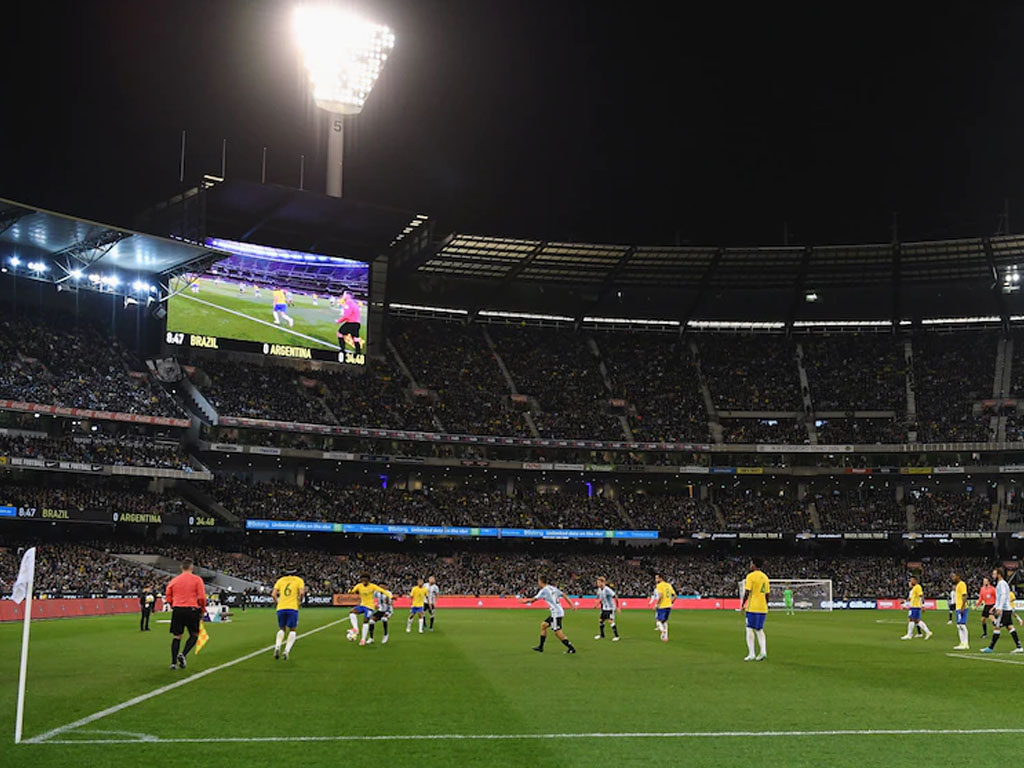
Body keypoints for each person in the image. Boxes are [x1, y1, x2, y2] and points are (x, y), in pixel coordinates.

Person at [518, 575, 577, 654]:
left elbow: (534, 600)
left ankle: (571, 648)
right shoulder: (552, 588)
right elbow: (564, 595)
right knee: (544, 625)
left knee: (557, 632)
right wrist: (571, 605)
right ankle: (541, 647)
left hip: (556, 613)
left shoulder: (544, 590)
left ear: (540, 581)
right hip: (557, 612)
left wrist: (524, 601)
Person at [165, 560, 207, 670]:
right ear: (191, 567)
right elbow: (202, 597)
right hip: (192, 609)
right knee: (194, 634)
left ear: (181, 567)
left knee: (177, 636)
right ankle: (183, 654)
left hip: (178, 609)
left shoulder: (174, 580)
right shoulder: (197, 580)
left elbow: (168, 595)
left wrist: (173, 605)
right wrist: (202, 609)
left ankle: (173, 663)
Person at [982, 568, 1023, 654]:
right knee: (1010, 627)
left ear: (999, 575)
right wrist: (995, 607)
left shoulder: (1001, 584)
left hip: (1004, 610)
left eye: (994, 574)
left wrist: (999, 607)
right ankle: (1019, 646)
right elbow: (1000, 597)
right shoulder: (1001, 584)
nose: (993, 576)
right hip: (1006, 609)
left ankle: (990, 648)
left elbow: (1003, 596)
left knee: (997, 627)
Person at [272, 569, 306, 661]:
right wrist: (300, 600)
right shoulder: (299, 580)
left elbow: (273, 594)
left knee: (282, 628)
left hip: (281, 607)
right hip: (292, 607)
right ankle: (286, 651)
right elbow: (302, 592)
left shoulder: (280, 580)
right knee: (292, 630)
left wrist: (277, 603)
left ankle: (277, 646)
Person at [349, 574, 392, 647]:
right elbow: (352, 591)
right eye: (363, 580)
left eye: (365, 580)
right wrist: (350, 590)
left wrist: (390, 596)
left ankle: (363, 640)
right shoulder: (359, 586)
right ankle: (356, 629)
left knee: (366, 620)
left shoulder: (373, 586)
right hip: (363, 605)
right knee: (352, 612)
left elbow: (382, 590)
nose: (364, 581)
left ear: (368, 580)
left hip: (370, 607)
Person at [741, 558, 770, 661]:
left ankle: (751, 653)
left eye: (751, 563)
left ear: (753, 565)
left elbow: (747, 591)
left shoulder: (750, 576)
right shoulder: (765, 577)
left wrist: (743, 604)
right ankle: (763, 651)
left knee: (749, 628)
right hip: (762, 607)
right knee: (759, 629)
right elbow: (767, 594)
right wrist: (765, 605)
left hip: (753, 607)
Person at [900, 576, 932, 641]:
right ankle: (928, 632)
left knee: (911, 620)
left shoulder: (918, 587)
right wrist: (905, 603)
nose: (910, 582)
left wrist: (922, 605)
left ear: (915, 581)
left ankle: (909, 635)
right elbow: (911, 598)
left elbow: (921, 596)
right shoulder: (914, 588)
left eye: (912, 580)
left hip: (916, 606)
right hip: (913, 606)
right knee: (916, 621)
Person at [650, 574, 677, 642]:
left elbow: (661, 595)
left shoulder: (659, 585)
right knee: (664, 621)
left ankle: (663, 631)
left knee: (658, 621)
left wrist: (656, 604)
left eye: (657, 578)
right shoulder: (668, 585)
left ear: (660, 578)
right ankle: (665, 637)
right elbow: (675, 596)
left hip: (662, 606)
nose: (656, 580)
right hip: (668, 606)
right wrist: (671, 602)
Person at [594, 576, 620, 641]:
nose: (597, 584)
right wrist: (597, 604)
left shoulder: (607, 589)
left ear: (603, 582)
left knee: (610, 621)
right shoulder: (600, 590)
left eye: (599, 582)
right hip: (604, 608)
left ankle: (617, 636)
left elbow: (615, 597)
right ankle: (602, 635)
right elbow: (602, 599)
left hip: (610, 608)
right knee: (601, 620)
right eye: (597, 582)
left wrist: (618, 607)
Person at [952, 572, 969, 650]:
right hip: (958, 607)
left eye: (954, 576)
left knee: (962, 625)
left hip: (962, 607)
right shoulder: (958, 585)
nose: (953, 578)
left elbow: (964, 595)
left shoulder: (962, 584)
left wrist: (962, 607)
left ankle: (965, 643)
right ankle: (962, 643)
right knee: (959, 625)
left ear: (958, 576)